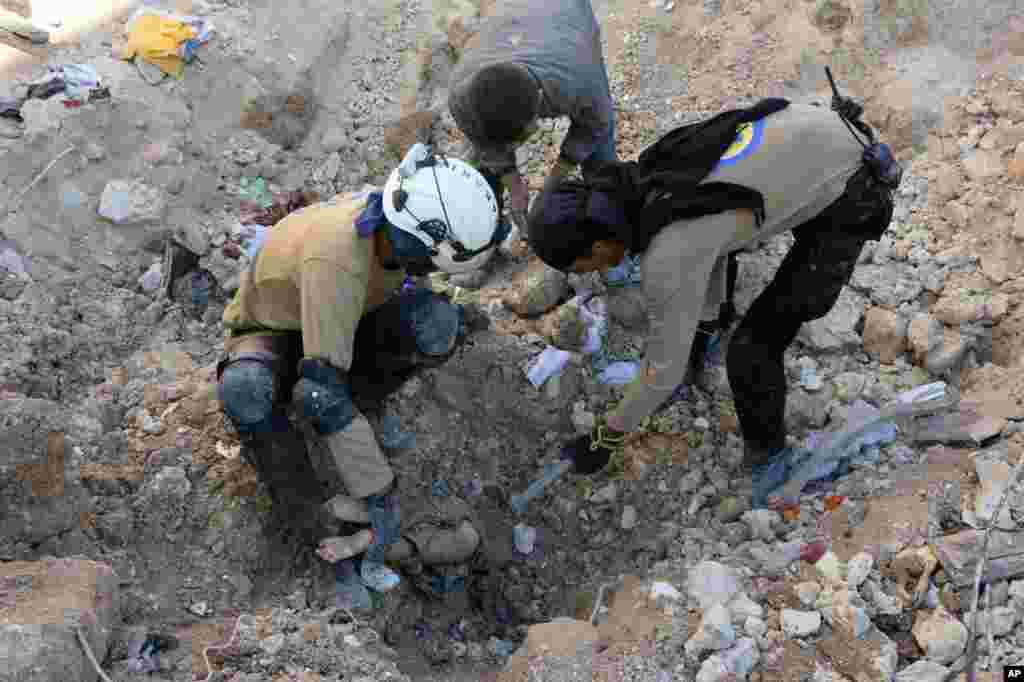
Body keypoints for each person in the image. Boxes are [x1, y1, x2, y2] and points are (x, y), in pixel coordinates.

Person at [526, 93, 901, 507]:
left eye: (583, 266)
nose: (592, 274)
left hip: (855, 187)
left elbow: (660, 371)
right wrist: (695, 325)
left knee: (753, 349)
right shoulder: (650, 177)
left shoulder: (668, 252)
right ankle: (704, 341)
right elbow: (712, 244)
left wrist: (606, 436)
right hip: (821, 134)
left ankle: (774, 465)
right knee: (717, 274)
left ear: (597, 244)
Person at [216, 144, 509, 581]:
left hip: (347, 314)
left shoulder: (395, 215)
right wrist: (379, 495)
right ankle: (308, 510)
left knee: (436, 322)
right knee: (251, 392)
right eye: (433, 260)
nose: (431, 269)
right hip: (277, 331)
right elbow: (319, 392)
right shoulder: (337, 258)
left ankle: (359, 403)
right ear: (423, 243)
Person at [447, 0, 617, 234]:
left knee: (600, 148)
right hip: (515, 19)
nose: (516, 147)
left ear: (540, 101)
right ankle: (490, 231)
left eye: (521, 138)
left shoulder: (578, 79)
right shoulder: (462, 97)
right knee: (483, 162)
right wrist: (515, 187)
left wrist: (552, 184)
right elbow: (486, 146)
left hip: (565, 11)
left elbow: (594, 126)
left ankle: (608, 222)